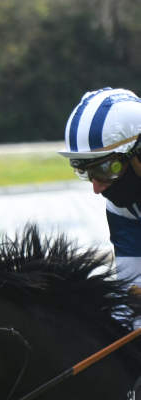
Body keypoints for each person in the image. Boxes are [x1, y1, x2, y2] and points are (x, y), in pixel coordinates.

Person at [60, 87, 141, 284]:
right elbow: (132, 301)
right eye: (86, 172)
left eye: (104, 169)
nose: (96, 188)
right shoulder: (123, 208)